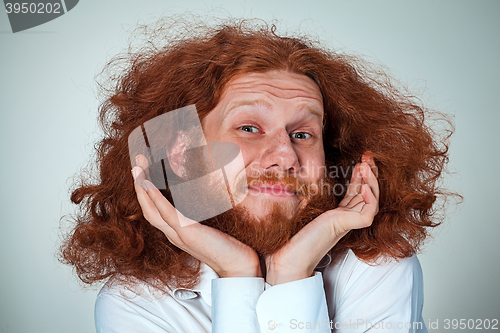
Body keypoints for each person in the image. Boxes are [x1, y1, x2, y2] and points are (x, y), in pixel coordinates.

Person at [60, 19, 453, 333]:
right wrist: (239, 275)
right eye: (249, 128)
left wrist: (291, 273)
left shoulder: (376, 265)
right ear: (183, 154)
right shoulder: (135, 302)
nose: (285, 157)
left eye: (302, 135)